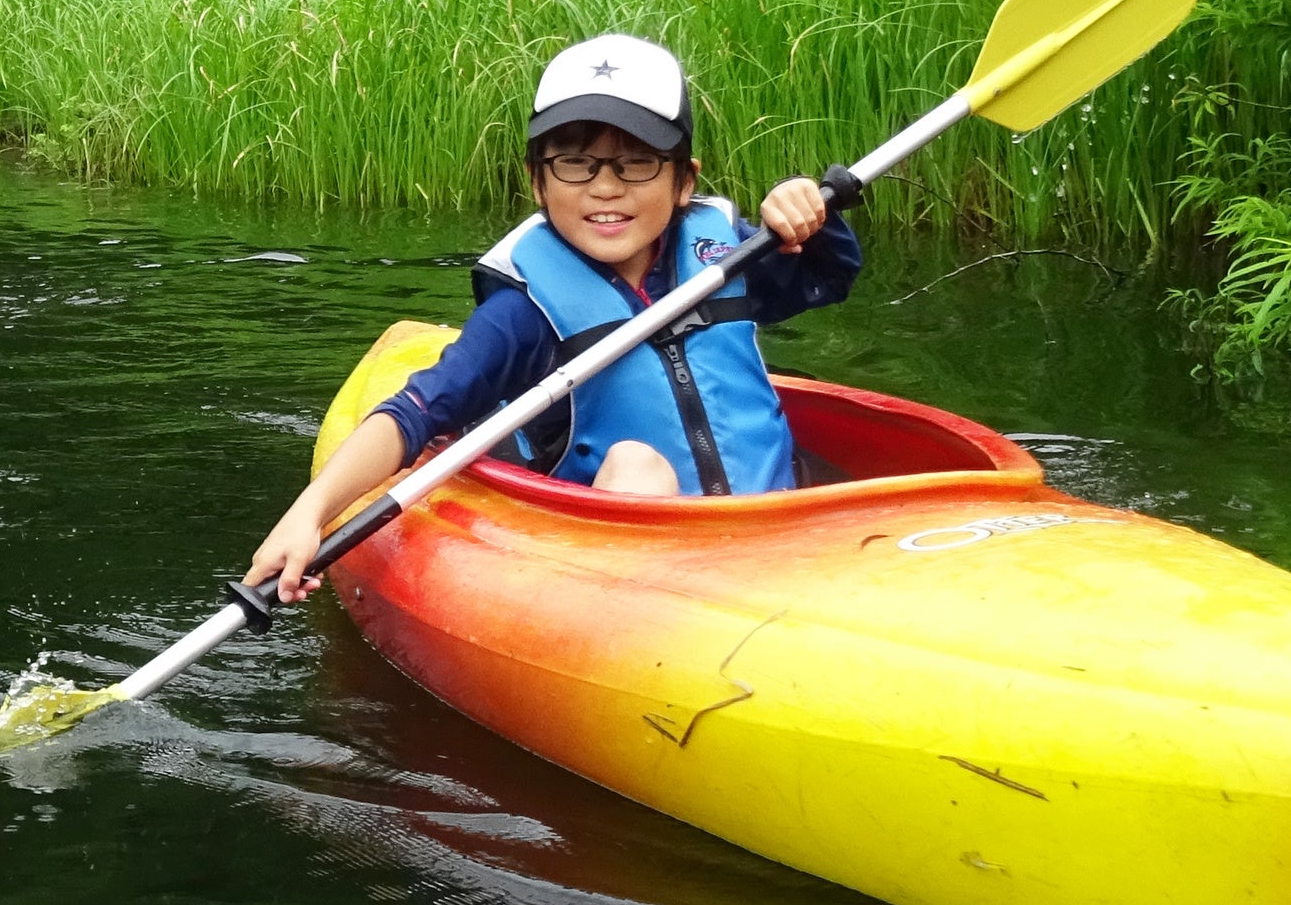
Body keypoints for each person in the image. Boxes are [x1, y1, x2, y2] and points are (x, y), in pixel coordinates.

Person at [244, 32, 861, 599]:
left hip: (776, 526)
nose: (605, 187)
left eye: (636, 161)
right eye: (574, 162)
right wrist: (310, 512)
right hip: (636, 562)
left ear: (683, 181)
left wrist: (809, 217)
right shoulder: (525, 310)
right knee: (637, 462)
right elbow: (417, 412)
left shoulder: (726, 252)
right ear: (538, 183)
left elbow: (826, 278)